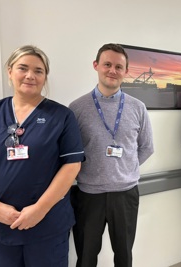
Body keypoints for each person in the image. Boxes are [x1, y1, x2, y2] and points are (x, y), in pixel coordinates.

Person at [0, 45, 85, 267]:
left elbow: (72, 165)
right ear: (10, 71)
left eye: (38, 71)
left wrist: (40, 209)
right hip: (0, 226)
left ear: (45, 77)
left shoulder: (62, 116)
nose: (30, 76)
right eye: (22, 68)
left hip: (48, 224)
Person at [69, 43, 154, 267]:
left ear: (126, 72)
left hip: (125, 195)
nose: (112, 70)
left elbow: (146, 146)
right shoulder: (77, 108)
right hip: (88, 195)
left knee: (124, 256)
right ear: (96, 65)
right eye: (107, 64)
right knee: (86, 258)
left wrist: (126, 168)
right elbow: (70, 153)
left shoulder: (138, 108)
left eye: (119, 66)